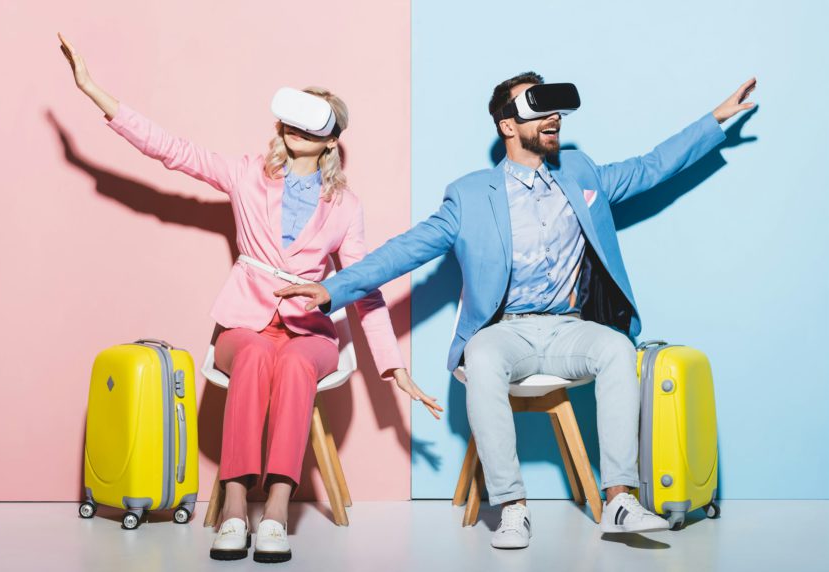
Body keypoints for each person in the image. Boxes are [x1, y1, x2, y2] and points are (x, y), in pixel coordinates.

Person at [276, 71, 756, 549]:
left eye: (555, 109)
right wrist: (332, 288)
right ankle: (512, 507)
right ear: (507, 125)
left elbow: (651, 166)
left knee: (615, 348)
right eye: (537, 107)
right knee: (481, 355)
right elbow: (406, 250)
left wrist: (715, 120)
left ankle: (618, 499)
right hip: (505, 332)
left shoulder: (580, 172)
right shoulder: (469, 195)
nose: (552, 117)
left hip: (570, 328)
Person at [58, 32, 441, 563]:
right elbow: (173, 151)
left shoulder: (346, 206)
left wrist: (393, 367)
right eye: (290, 119)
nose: (294, 129)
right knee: (259, 356)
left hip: (313, 332)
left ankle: (278, 507)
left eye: (313, 122)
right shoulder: (246, 175)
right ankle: (237, 503)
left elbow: (363, 288)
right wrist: (95, 91)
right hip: (244, 324)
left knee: (294, 364)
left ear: (331, 139)